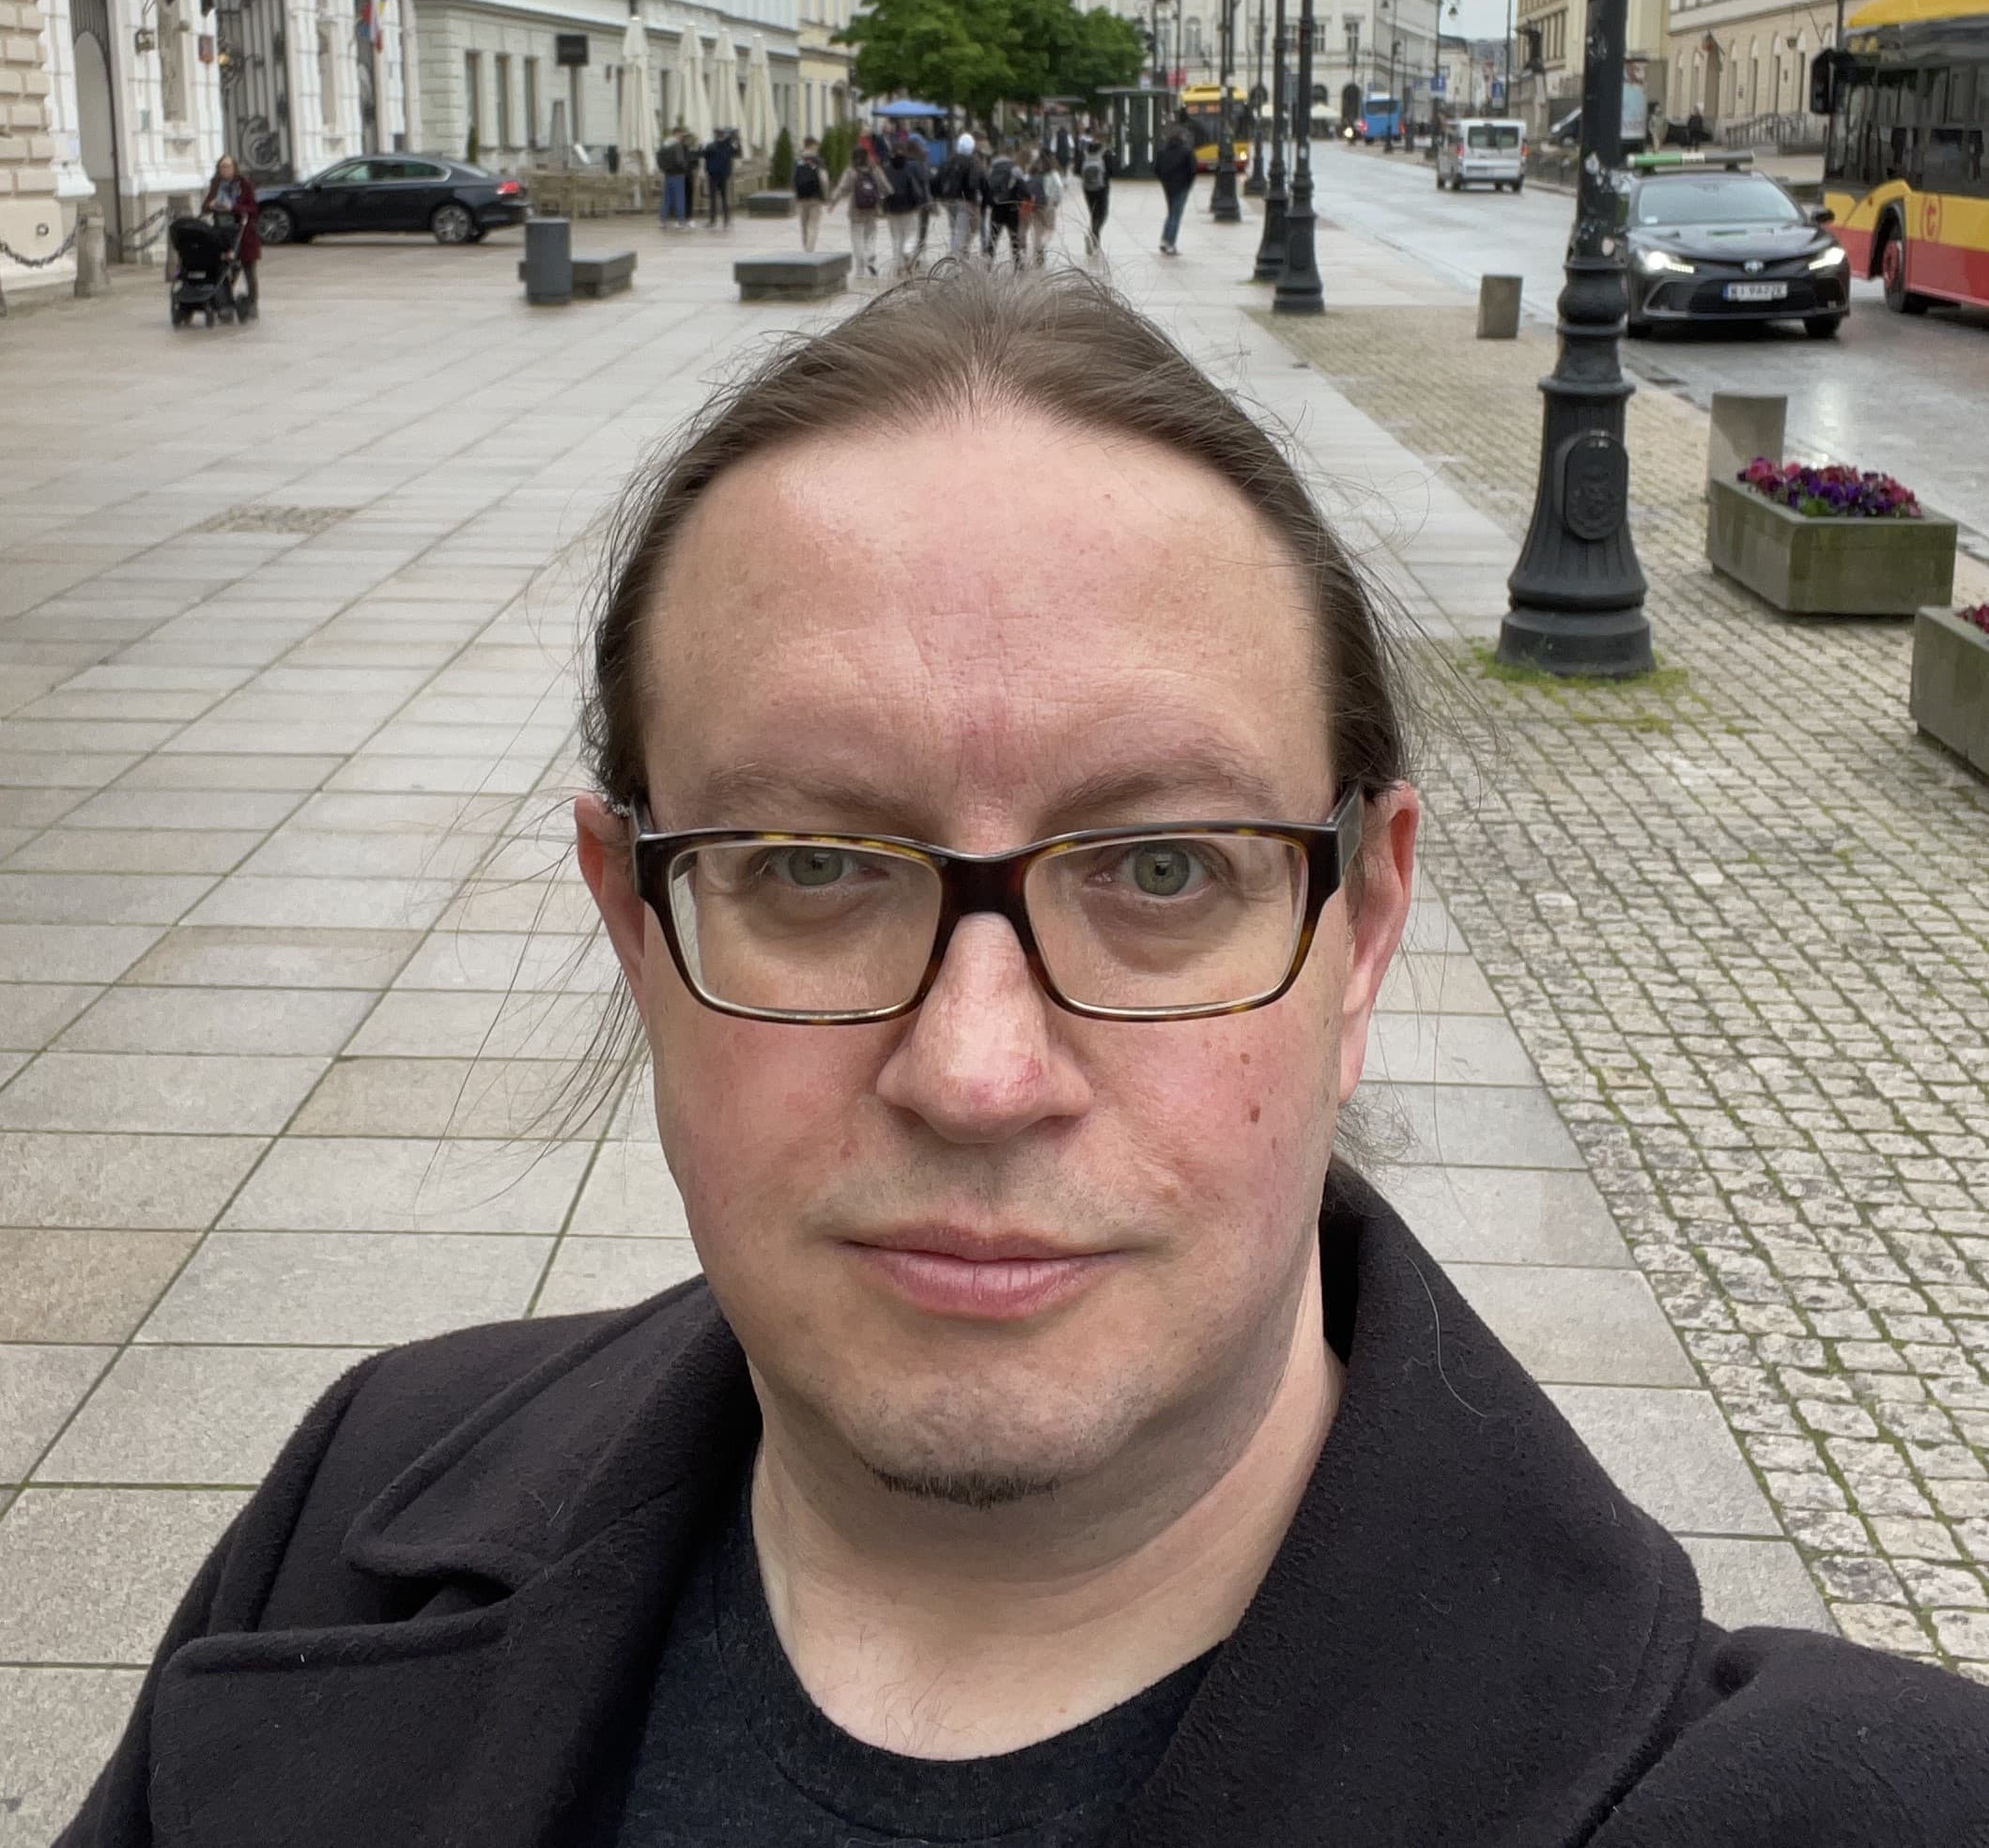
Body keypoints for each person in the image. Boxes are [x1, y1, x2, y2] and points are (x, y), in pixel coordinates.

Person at [56, 270, 1989, 1848]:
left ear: (1363, 927)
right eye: (811, 865)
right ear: (634, 922)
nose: (977, 1074)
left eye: (1161, 868)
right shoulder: (358, 1503)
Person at [200, 154, 259, 313]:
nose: (224, 170)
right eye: (221, 167)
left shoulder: (244, 184)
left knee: (248, 269)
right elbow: (205, 207)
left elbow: (253, 209)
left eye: (227, 166)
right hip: (222, 233)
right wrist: (210, 205)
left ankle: (252, 302)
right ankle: (224, 300)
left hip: (243, 234)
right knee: (222, 268)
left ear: (234, 168)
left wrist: (233, 207)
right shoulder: (216, 184)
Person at [830, 136, 889, 278]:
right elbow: (886, 187)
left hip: (856, 210)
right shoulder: (874, 170)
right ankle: (870, 255)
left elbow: (842, 188)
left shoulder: (851, 171)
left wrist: (833, 202)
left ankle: (860, 269)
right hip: (872, 209)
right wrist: (886, 197)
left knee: (857, 238)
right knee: (871, 235)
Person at [933, 132, 983, 261]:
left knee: (954, 228)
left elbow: (937, 180)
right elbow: (973, 183)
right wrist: (973, 201)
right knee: (962, 229)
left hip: (948, 200)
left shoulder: (948, 161)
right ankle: (956, 258)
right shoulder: (972, 162)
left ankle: (957, 254)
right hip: (964, 200)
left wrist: (939, 197)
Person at [881, 139, 927, 278]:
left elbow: (882, 190)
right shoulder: (909, 168)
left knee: (896, 238)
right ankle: (907, 251)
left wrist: (883, 206)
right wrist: (920, 203)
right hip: (908, 208)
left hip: (892, 209)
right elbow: (917, 188)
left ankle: (898, 267)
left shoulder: (886, 169)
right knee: (910, 234)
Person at [1155, 121, 1196, 257]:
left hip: (1168, 187)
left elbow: (1157, 169)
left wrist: (1164, 181)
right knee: (1175, 216)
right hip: (1181, 187)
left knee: (1171, 213)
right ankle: (1170, 244)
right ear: (1181, 136)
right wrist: (1187, 184)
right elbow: (1192, 170)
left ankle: (1164, 240)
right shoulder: (1186, 151)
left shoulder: (1163, 151)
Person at [983, 140, 1026, 268]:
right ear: (1012, 154)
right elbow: (1023, 188)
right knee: (1014, 238)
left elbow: (986, 188)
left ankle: (988, 264)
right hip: (1012, 208)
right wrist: (1023, 200)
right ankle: (1018, 265)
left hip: (996, 208)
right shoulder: (1015, 169)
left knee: (993, 237)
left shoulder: (992, 168)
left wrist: (989, 204)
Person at [1025, 144, 1062, 268]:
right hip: (1048, 203)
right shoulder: (1052, 173)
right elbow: (1059, 189)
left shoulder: (1033, 170)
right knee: (1050, 229)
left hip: (1034, 203)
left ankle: (1038, 253)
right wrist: (1056, 202)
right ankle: (1041, 246)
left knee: (1037, 230)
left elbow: (1026, 183)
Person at [1077, 135, 1114, 256]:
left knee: (1093, 213)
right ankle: (1094, 234)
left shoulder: (1084, 153)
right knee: (1102, 213)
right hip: (1102, 188)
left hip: (1087, 188)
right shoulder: (1106, 153)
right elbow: (1112, 170)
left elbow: (1077, 170)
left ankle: (1094, 237)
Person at [792, 135, 828, 251]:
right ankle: (809, 252)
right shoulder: (818, 161)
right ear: (812, 146)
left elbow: (793, 179)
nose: (817, 148)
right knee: (813, 225)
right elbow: (824, 180)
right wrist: (825, 196)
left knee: (804, 226)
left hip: (801, 198)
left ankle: (805, 248)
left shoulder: (798, 161)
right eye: (816, 146)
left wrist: (796, 195)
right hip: (815, 198)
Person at [702, 128, 740, 228]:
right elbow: (737, 153)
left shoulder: (710, 146)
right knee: (724, 197)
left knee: (713, 198)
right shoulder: (728, 146)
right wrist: (736, 140)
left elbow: (704, 155)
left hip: (713, 175)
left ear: (715, 135)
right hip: (724, 175)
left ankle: (713, 221)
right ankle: (726, 220)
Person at [656, 129, 692, 229]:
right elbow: (680, 160)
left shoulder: (664, 145)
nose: (682, 137)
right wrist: (686, 167)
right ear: (676, 134)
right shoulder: (677, 145)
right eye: (681, 134)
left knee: (666, 198)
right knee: (679, 198)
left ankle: (663, 221)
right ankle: (681, 221)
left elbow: (658, 158)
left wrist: (663, 169)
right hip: (678, 174)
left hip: (668, 175)